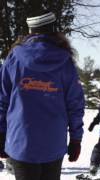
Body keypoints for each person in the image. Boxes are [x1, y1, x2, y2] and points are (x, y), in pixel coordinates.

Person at [0, 11, 85, 180]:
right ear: (54, 30)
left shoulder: (14, 58)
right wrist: (76, 139)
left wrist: (1, 133)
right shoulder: (65, 61)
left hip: (21, 142)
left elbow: (2, 99)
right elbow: (75, 103)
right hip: (53, 144)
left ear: (30, 30)